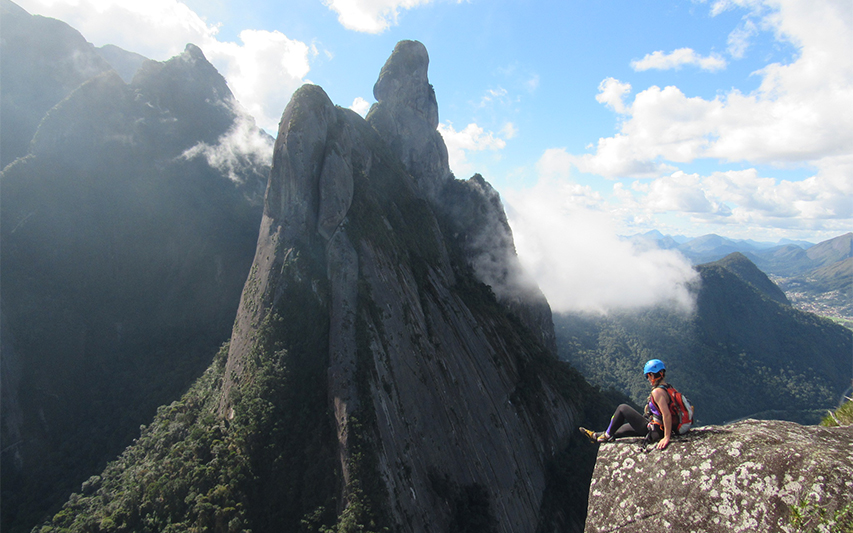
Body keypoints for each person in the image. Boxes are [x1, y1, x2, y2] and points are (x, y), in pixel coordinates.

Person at [579, 359, 673, 450]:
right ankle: (596, 436)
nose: (647, 379)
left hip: (655, 431)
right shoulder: (668, 388)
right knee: (622, 428)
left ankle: (607, 436)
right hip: (656, 426)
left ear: (652, 375)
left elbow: (666, 414)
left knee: (622, 408)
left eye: (647, 376)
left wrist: (666, 437)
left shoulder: (657, 392)